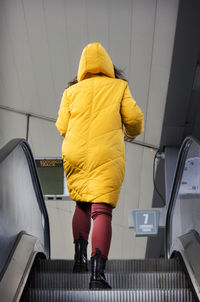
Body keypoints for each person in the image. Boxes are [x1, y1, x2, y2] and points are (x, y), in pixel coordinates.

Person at [55, 42, 144, 290]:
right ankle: (97, 275)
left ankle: (79, 259)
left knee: (82, 204)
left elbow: (61, 126)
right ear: (107, 65)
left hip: (76, 154)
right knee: (101, 210)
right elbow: (135, 120)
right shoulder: (118, 87)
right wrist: (130, 133)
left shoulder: (71, 91)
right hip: (106, 153)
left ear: (83, 67)